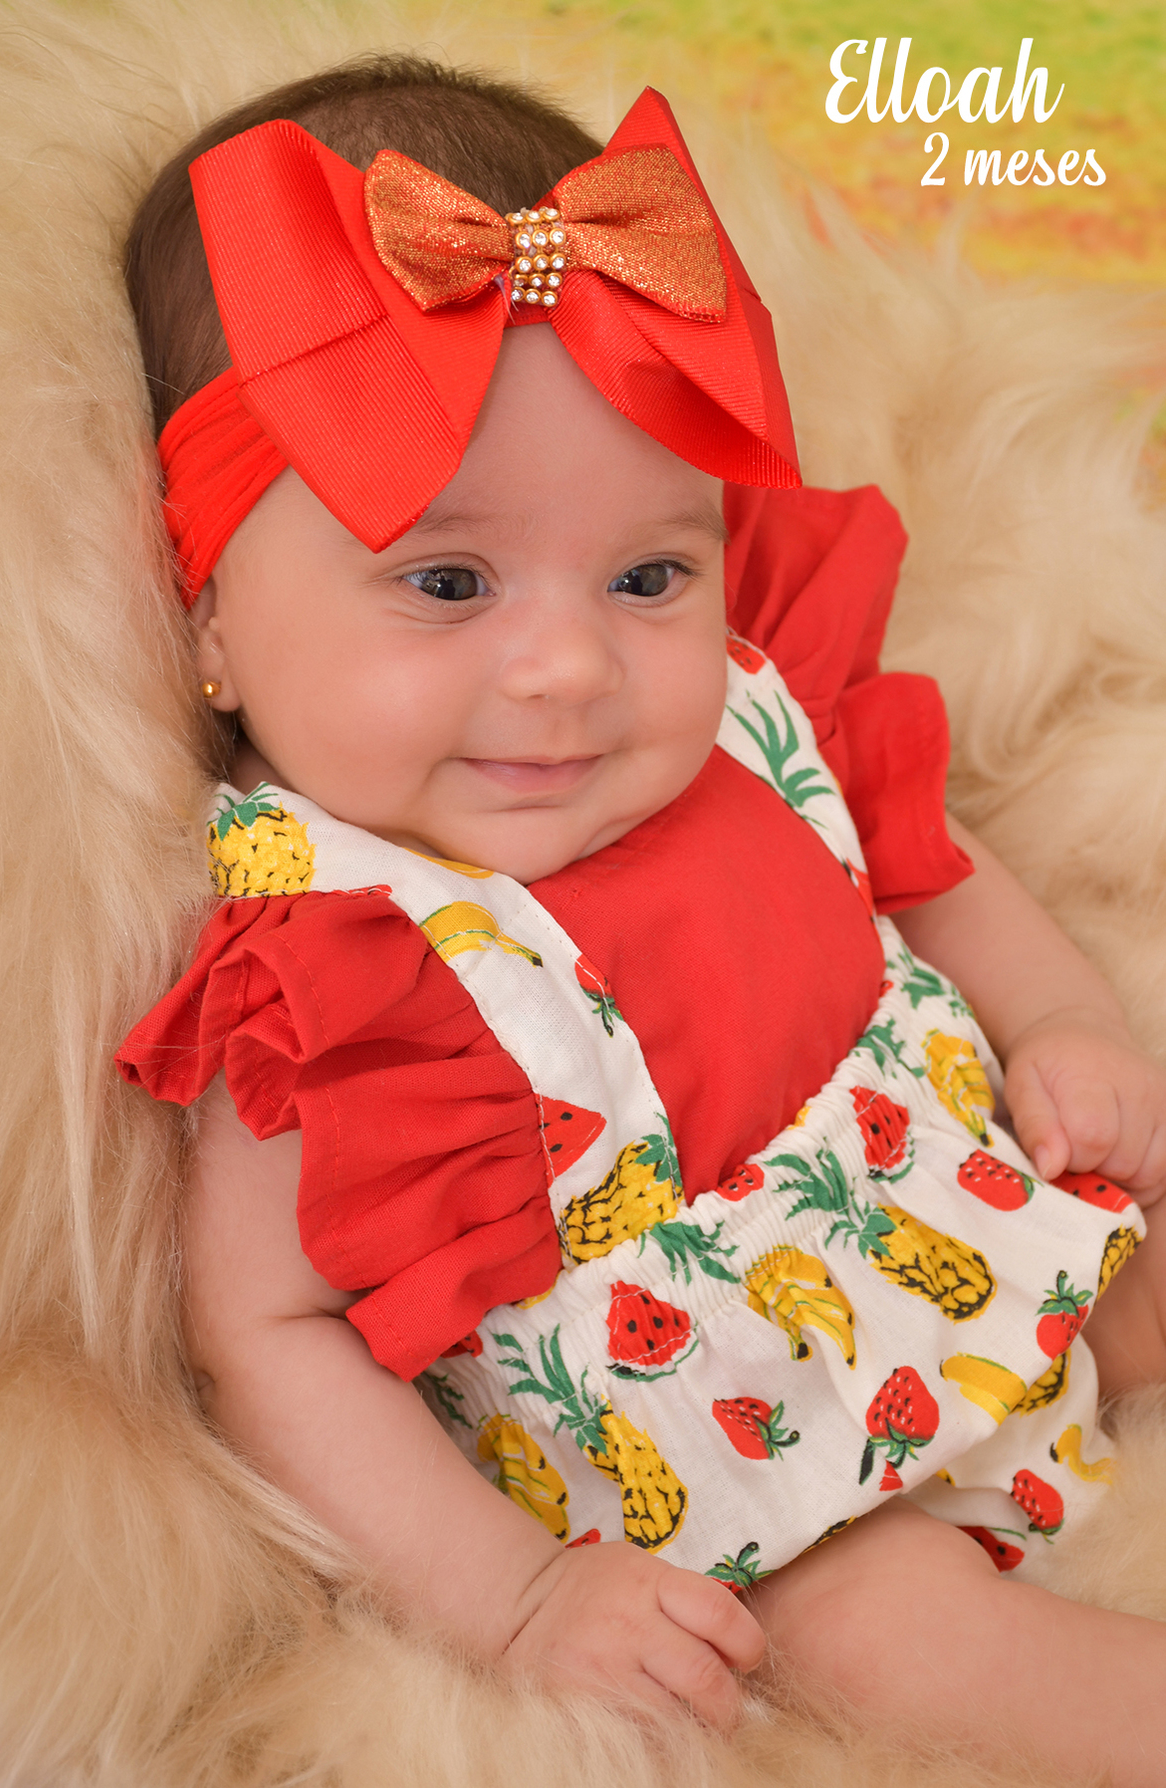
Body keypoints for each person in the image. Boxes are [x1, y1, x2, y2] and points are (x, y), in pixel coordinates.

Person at [116, 54, 1166, 1781]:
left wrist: (1067, 1024)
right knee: (877, 1639)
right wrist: (518, 1597)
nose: (569, 666)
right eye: (447, 582)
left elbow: (925, 863)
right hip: (761, 1466)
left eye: (647, 573)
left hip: (998, 1224)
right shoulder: (344, 960)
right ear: (212, 614)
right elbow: (265, 1335)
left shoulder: (745, 696)